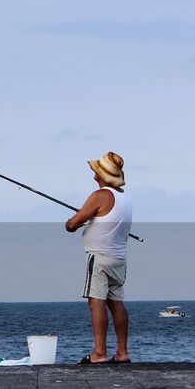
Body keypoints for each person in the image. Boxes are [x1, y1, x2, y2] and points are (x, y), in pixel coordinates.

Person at [65, 151, 132, 364]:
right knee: (117, 303)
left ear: (102, 175)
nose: (94, 175)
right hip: (119, 259)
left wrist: (74, 219)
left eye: (96, 171)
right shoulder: (125, 198)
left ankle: (100, 353)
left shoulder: (100, 195)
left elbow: (72, 225)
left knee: (96, 303)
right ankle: (122, 352)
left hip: (100, 258)